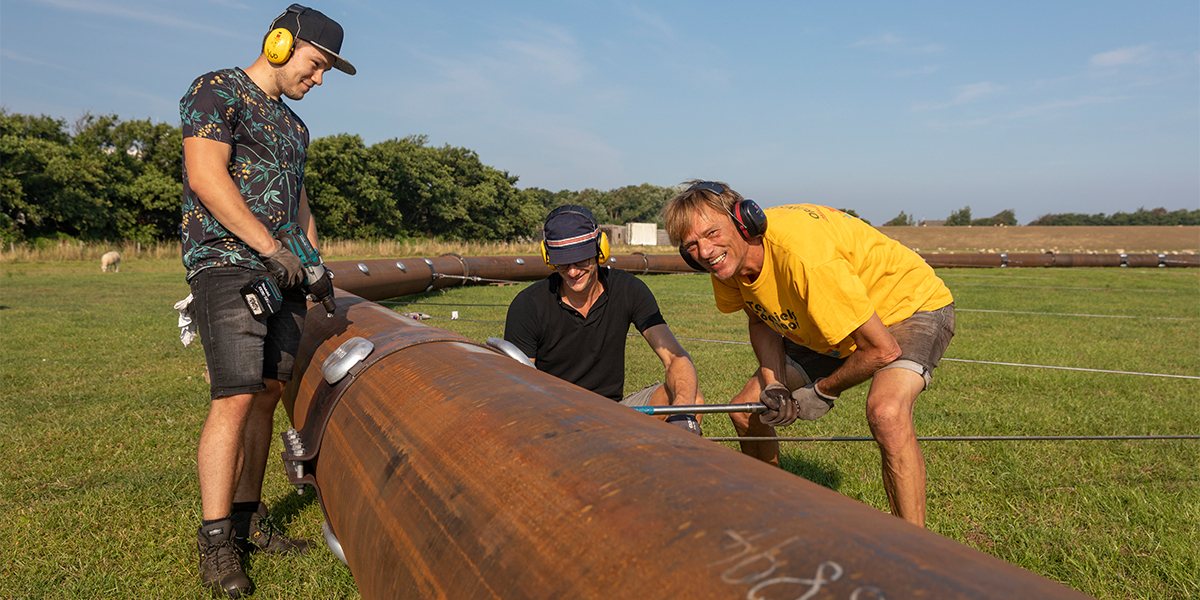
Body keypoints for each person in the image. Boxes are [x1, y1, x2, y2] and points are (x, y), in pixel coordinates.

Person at [179, 5, 355, 596]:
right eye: (317, 64)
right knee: (233, 399)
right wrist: (269, 248)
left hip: (284, 277)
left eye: (327, 70)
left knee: (268, 394)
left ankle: (250, 522)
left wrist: (313, 263)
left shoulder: (295, 127)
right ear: (281, 44)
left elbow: (300, 206)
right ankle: (216, 541)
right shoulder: (215, 89)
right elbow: (207, 175)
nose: (319, 79)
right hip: (228, 268)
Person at [663, 181, 954, 528]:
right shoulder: (727, 262)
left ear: (744, 223)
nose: (706, 251)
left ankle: (916, 548)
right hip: (826, 318)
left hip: (906, 310)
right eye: (692, 245)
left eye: (712, 233)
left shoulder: (803, 255)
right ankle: (770, 512)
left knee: (887, 413)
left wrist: (823, 391)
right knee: (748, 411)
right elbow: (760, 318)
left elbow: (881, 349)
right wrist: (773, 383)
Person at [505, 205, 706, 433]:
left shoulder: (629, 290)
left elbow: (675, 358)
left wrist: (681, 411)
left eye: (581, 260)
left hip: (614, 411)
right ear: (547, 257)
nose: (572, 272)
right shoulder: (528, 306)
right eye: (562, 262)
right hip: (555, 416)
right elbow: (521, 389)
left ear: (600, 249)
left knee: (692, 401)